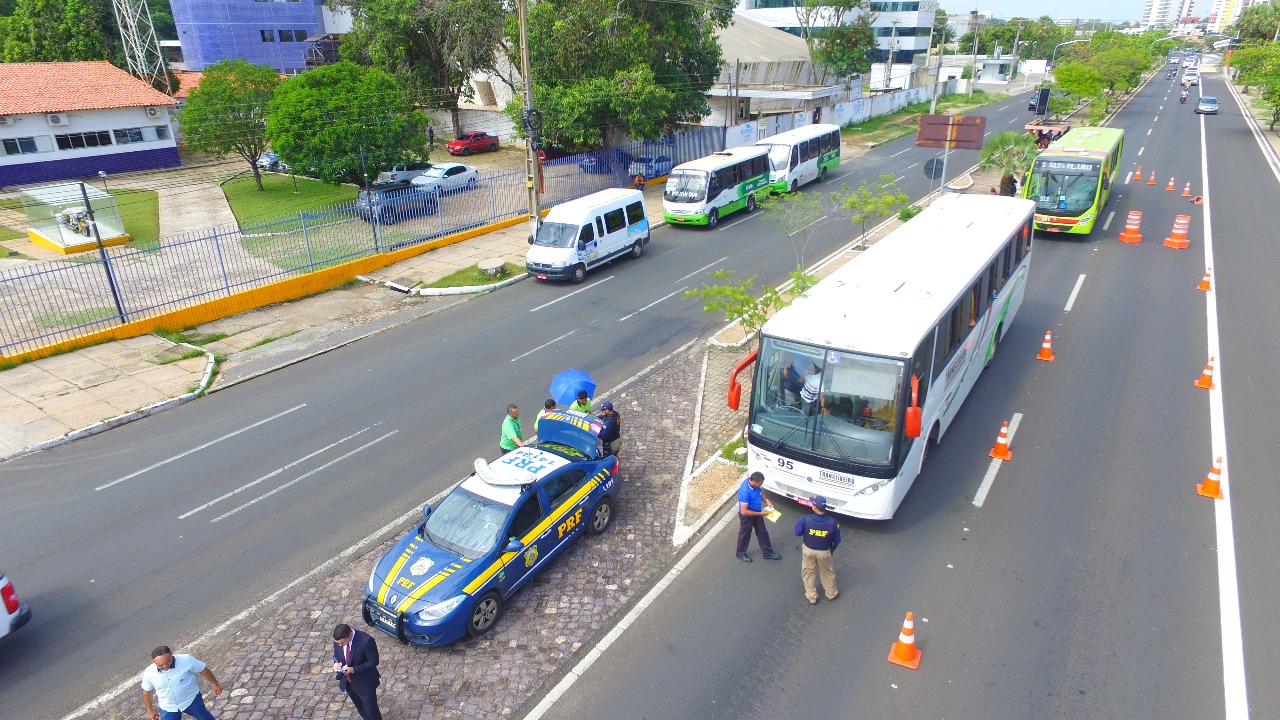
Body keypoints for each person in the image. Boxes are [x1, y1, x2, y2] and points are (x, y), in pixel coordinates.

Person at [140, 646, 223, 720]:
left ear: (171, 655)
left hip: (191, 700)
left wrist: (215, 684)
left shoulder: (186, 660)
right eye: (160, 665)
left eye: (168, 662)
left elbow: (203, 670)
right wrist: (150, 710)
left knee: (205, 718)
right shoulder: (149, 672)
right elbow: (147, 692)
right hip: (168, 707)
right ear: (154, 662)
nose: (165, 666)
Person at [794, 495, 841, 605]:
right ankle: (831, 593)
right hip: (825, 552)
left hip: (808, 550)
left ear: (814, 507)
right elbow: (837, 540)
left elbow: (797, 532)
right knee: (828, 572)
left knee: (808, 572)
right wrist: (831, 550)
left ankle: (812, 596)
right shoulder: (833, 522)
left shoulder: (806, 519)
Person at [333, 623, 382, 720]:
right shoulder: (339, 639)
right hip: (348, 683)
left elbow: (373, 661)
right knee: (360, 708)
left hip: (365, 684)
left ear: (350, 634)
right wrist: (336, 662)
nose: (340, 645)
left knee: (371, 711)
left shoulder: (366, 641)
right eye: (338, 643)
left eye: (342, 643)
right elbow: (336, 654)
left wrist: (353, 669)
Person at [736, 471, 780, 562]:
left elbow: (759, 493)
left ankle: (767, 552)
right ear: (754, 482)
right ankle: (740, 553)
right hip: (747, 517)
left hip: (757, 513)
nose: (760, 485)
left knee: (762, 532)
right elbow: (744, 511)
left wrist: (766, 501)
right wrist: (761, 514)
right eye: (760, 484)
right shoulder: (744, 491)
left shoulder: (755, 486)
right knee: (745, 535)